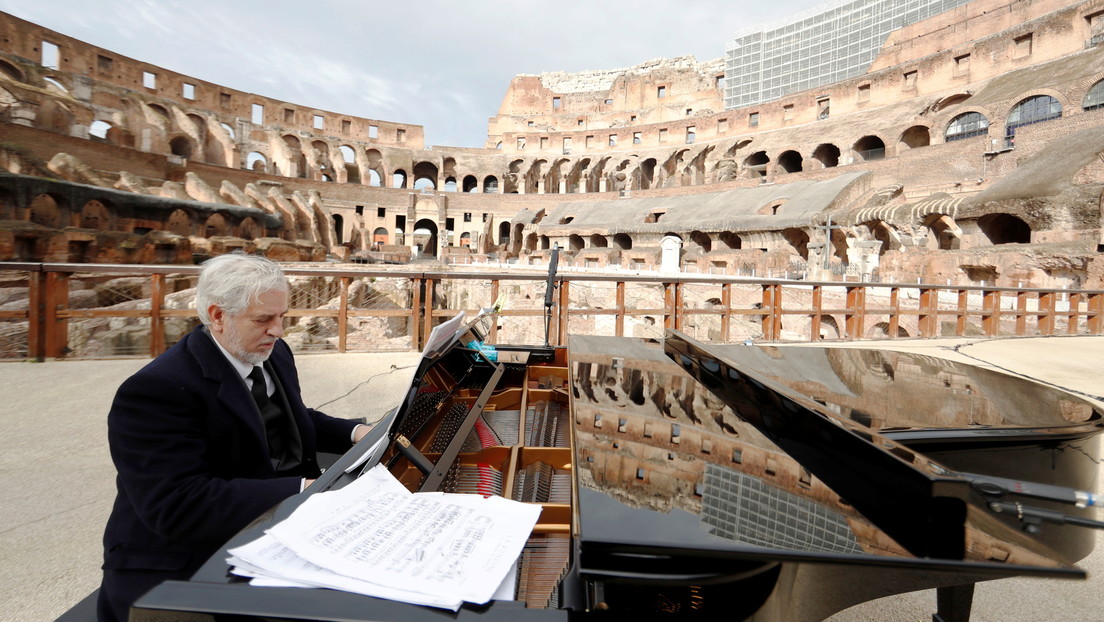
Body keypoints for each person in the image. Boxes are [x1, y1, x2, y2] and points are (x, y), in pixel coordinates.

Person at [97, 252, 370, 621]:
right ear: (217, 315)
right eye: (264, 319)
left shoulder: (272, 352)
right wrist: (306, 490)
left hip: (266, 525)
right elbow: (177, 504)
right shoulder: (155, 390)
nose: (278, 330)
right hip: (182, 562)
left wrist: (356, 433)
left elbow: (285, 417)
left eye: (281, 317)